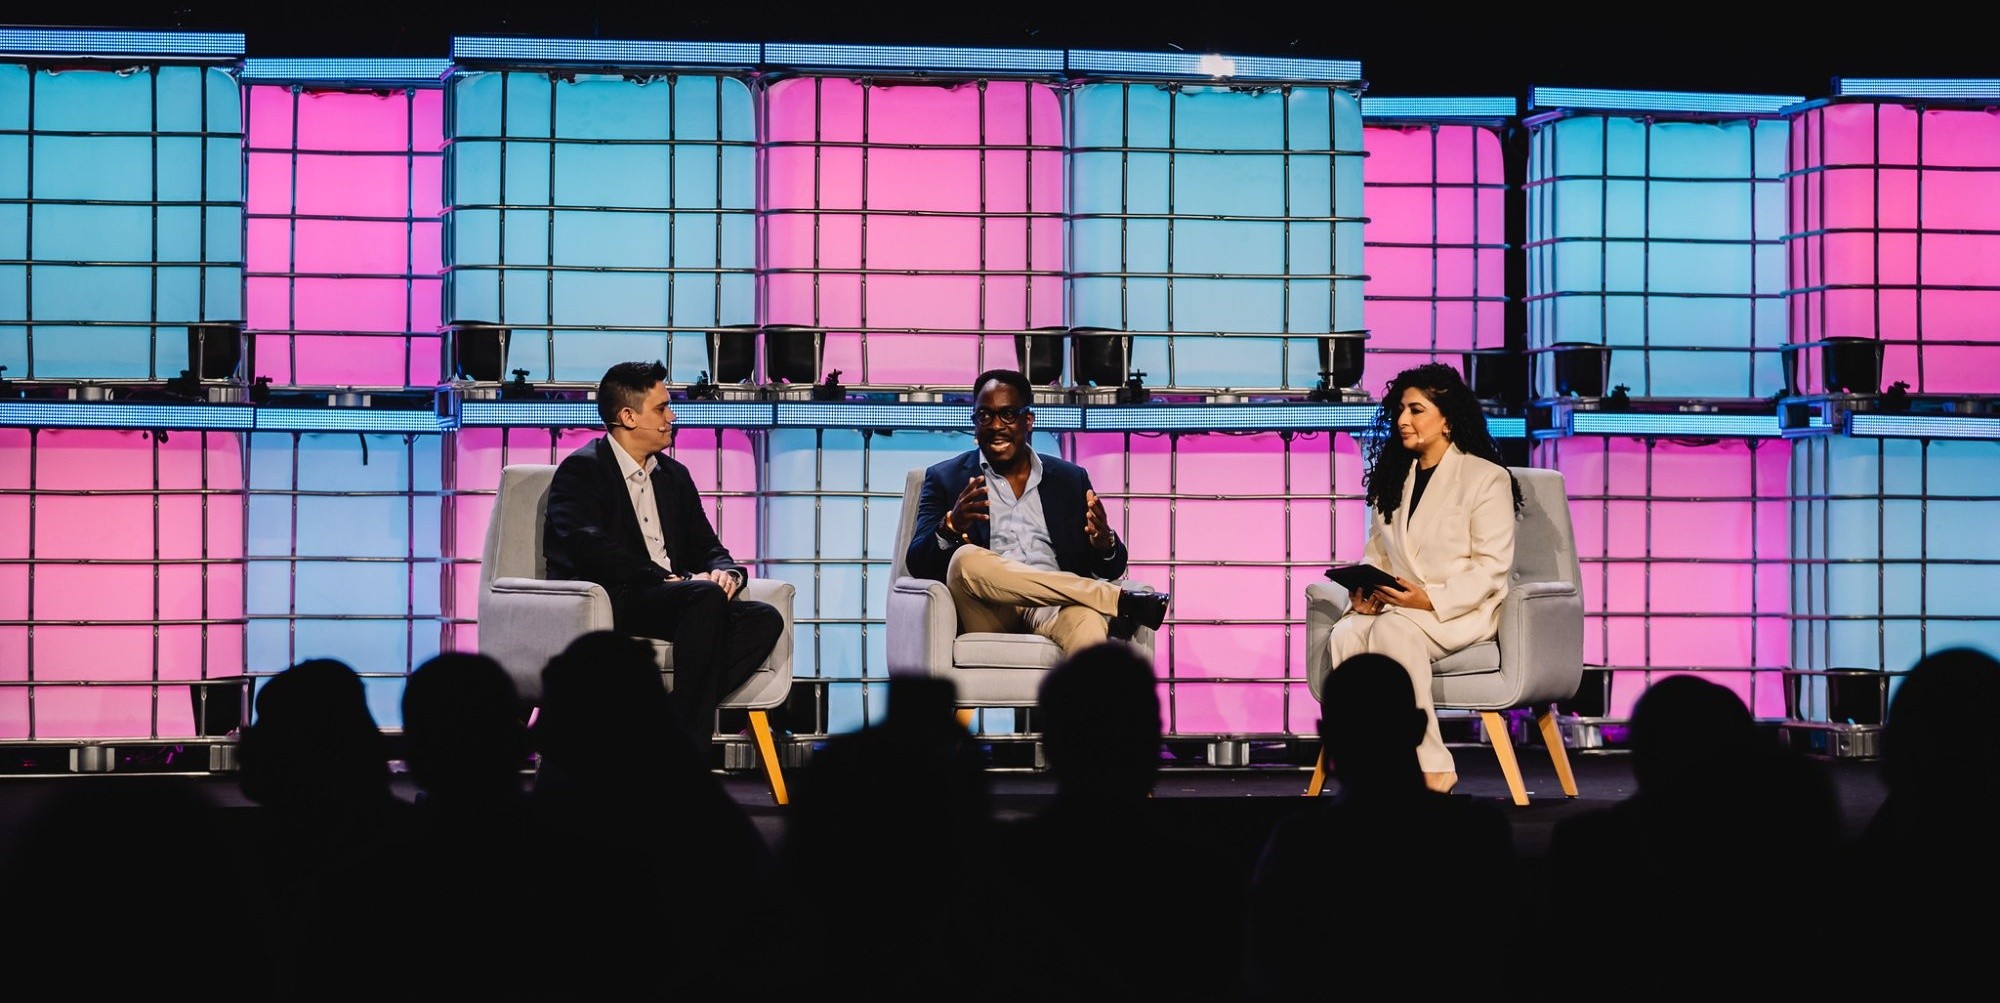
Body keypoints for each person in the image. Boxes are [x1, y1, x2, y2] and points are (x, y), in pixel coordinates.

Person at [1243, 653, 1515, 997]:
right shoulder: (1477, 834)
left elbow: (1268, 974)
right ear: (1420, 727)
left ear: (1327, 736)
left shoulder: (1301, 846)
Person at [544, 359, 784, 750]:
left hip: (676, 600)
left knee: (764, 618)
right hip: (615, 597)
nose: (671, 417)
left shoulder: (674, 475)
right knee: (702, 596)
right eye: (661, 408)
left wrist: (727, 573)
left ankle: (662, 729)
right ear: (628, 417)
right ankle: (685, 749)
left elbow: (707, 545)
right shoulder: (582, 471)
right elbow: (589, 547)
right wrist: (670, 578)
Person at [1324, 362, 1521, 794]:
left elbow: (1491, 567)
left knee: (1393, 631)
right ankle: (1367, 762)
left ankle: (1432, 766)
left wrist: (1428, 599)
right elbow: (1377, 552)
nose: (1402, 420)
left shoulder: (1486, 478)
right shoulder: (1394, 478)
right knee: (1346, 634)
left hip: (1460, 609)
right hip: (1400, 606)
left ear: (1447, 419)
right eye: (1400, 410)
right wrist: (1366, 594)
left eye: (1415, 410)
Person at [905, 367, 1169, 652]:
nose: (996, 425)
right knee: (965, 559)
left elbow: (1110, 565)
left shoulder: (1069, 479)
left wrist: (1105, 544)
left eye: (1008, 414)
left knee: (1088, 621)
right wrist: (951, 527)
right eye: (984, 416)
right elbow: (916, 562)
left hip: (1051, 607)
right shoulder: (946, 478)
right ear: (975, 424)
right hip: (988, 609)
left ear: (1028, 420)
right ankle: (1114, 599)